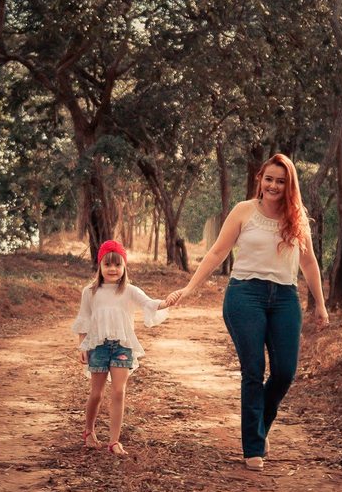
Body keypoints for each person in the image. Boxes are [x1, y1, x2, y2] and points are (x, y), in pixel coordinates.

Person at [166, 153, 328, 471]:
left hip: (285, 298)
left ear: (289, 185)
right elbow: (218, 251)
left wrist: (320, 304)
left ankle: (259, 425)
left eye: (281, 181)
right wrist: (190, 288)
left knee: (284, 372)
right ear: (260, 179)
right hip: (245, 295)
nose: (273, 185)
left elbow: (309, 263)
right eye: (269, 179)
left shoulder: (297, 218)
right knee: (253, 370)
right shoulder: (244, 211)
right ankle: (253, 447)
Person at [72, 239, 173, 457]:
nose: (113, 269)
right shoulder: (90, 292)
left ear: (124, 266)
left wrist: (167, 302)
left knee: (119, 391)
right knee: (97, 393)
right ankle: (89, 431)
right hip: (98, 346)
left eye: (118, 264)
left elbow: (150, 304)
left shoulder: (129, 291)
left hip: (122, 347)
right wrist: (82, 346)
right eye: (107, 264)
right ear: (99, 265)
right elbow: (84, 319)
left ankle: (114, 441)